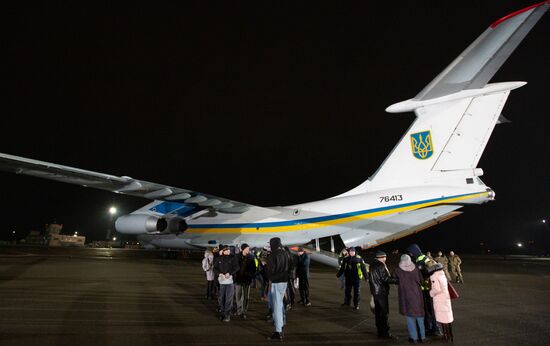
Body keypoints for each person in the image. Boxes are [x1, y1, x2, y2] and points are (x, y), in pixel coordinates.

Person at [406, 243, 441, 336]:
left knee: (431, 309)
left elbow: (433, 269)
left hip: (428, 288)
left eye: (411, 252)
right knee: (425, 309)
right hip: (422, 289)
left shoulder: (425, 258)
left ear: (415, 251)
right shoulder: (417, 260)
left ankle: (435, 328)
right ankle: (428, 327)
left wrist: (423, 272)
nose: (410, 254)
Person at [394, 254, 426, 344]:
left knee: (410, 318)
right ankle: (422, 337)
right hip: (417, 296)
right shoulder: (416, 269)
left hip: (406, 297)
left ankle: (413, 338)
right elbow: (422, 281)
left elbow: (393, 278)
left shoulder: (398, 270)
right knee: (420, 317)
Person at [368, 250, 398, 338]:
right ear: (382, 257)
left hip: (375, 291)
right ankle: (385, 333)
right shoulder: (380, 265)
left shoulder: (372, 264)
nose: (386, 258)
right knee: (383, 313)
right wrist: (397, 281)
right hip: (381, 292)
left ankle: (380, 331)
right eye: (385, 257)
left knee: (378, 313)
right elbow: (386, 279)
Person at [266, 237, 289, 341]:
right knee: (279, 305)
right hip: (284, 282)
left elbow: (270, 270)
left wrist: (270, 278)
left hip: (276, 282)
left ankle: (278, 331)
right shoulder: (285, 253)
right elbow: (290, 267)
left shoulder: (272, 255)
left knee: (276, 307)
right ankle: (280, 326)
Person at [213, 245, 239, 322]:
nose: (228, 251)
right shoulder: (219, 258)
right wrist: (219, 274)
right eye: (226, 250)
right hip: (221, 282)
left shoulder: (233, 258)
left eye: (228, 250)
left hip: (230, 282)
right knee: (221, 298)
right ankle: (223, 313)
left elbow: (237, 267)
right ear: (223, 251)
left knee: (229, 298)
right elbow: (215, 268)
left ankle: (227, 315)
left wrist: (230, 273)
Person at [430, 263, 454, 342]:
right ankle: (450, 335)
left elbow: (436, 289)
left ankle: (445, 336)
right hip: (446, 298)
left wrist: (431, 293)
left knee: (443, 319)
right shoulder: (443, 275)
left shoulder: (434, 276)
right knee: (447, 318)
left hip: (440, 299)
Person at [235, 243, 256, 319]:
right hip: (238, 279)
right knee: (238, 295)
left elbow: (254, 269)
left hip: (247, 279)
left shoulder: (251, 257)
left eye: (248, 249)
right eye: (246, 249)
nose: (248, 250)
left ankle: (244, 311)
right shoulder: (237, 257)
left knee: (246, 296)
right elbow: (234, 267)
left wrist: (250, 274)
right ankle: (239, 310)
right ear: (242, 249)